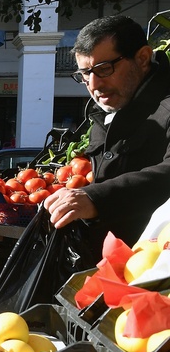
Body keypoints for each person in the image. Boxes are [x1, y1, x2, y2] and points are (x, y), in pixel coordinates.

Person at [44, 15, 170, 259]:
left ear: (143, 58)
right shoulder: (107, 109)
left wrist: (96, 198)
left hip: (151, 271)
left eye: (104, 69)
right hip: (106, 265)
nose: (94, 84)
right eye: (85, 74)